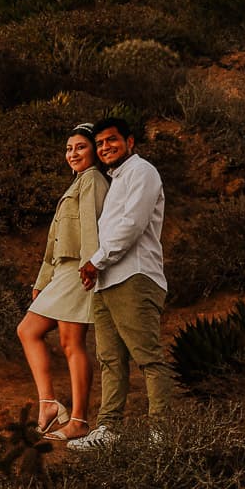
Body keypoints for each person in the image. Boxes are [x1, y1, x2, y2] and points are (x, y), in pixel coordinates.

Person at [68, 117, 176, 451]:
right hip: (107, 280)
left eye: (112, 140)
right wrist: (97, 268)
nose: (105, 148)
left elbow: (132, 224)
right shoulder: (116, 179)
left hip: (134, 276)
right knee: (111, 360)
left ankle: (161, 434)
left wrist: (95, 261)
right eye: (100, 144)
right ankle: (108, 430)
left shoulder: (142, 172)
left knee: (148, 358)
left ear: (130, 142)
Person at [17, 122, 108, 442]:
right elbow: (54, 242)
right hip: (62, 272)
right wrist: (43, 280)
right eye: (69, 149)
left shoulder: (93, 179)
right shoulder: (77, 182)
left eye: (80, 147)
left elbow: (91, 227)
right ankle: (49, 403)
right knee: (28, 330)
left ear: (95, 151)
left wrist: (90, 265)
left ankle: (80, 420)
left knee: (71, 343)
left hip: (78, 270)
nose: (73, 153)